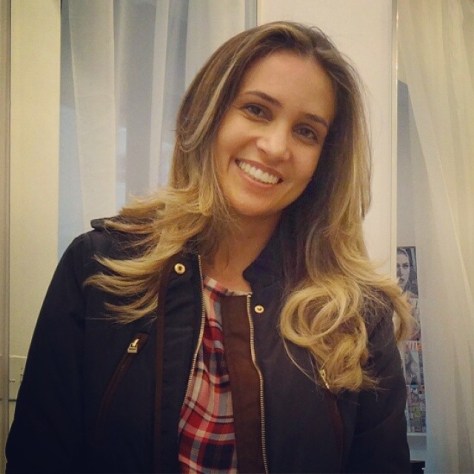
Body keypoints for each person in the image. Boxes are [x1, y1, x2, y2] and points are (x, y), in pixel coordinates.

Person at [6, 21, 413, 473]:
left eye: (306, 132)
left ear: (325, 160)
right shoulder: (99, 267)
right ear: (209, 115)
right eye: (256, 110)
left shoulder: (358, 318)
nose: (275, 146)